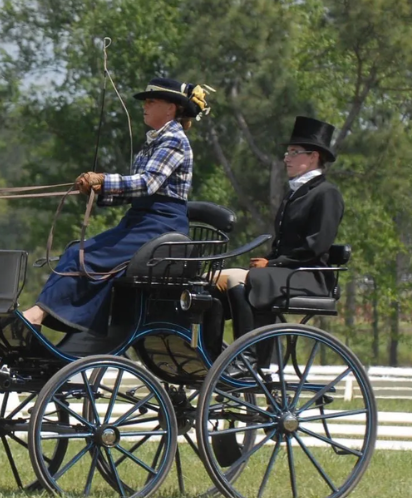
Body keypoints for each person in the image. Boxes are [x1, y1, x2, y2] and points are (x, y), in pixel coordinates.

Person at [17, 77, 212, 336]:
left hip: (160, 228)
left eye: (151, 101)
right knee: (75, 250)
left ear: (171, 108)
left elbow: (147, 184)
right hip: (142, 221)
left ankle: (38, 316)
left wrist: (105, 180)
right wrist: (97, 190)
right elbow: (139, 193)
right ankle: (68, 324)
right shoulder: (155, 141)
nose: (145, 106)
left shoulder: (174, 139)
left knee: (82, 256)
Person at [213, 115, 344, 339]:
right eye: (287, 152)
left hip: (310, 276)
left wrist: (272, 263)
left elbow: (314, 246)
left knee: (246, 279)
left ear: (313, 156)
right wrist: (269, 260)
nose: (287, 158)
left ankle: (249, 357)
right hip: (286, 272)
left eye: (294, 152)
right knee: (213, 280)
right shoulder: (294, 193)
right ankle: (211, 352)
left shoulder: (327, 194)